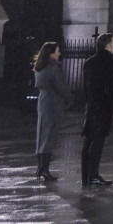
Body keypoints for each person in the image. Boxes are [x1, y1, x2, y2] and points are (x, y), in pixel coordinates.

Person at [81, 33, 113, 187]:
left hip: (92, 105)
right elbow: (110, 87)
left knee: (89, 140)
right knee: (98, 141)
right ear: (108, 45)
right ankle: (93, 175)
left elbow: (86, 87)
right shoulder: (108, 60)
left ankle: (87, 176)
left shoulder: (90, 61)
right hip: (102, 106)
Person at [33, 42, 70, 181]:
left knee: (42, 133)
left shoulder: (40, 67)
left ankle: (40, 167)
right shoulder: (53, 68)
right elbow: (61, 86)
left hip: (43, 100)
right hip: (53, 101)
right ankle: (44, 169)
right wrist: (69, 98)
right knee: (49, 134)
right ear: (51, 53)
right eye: (57, 50)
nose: (59, 53)